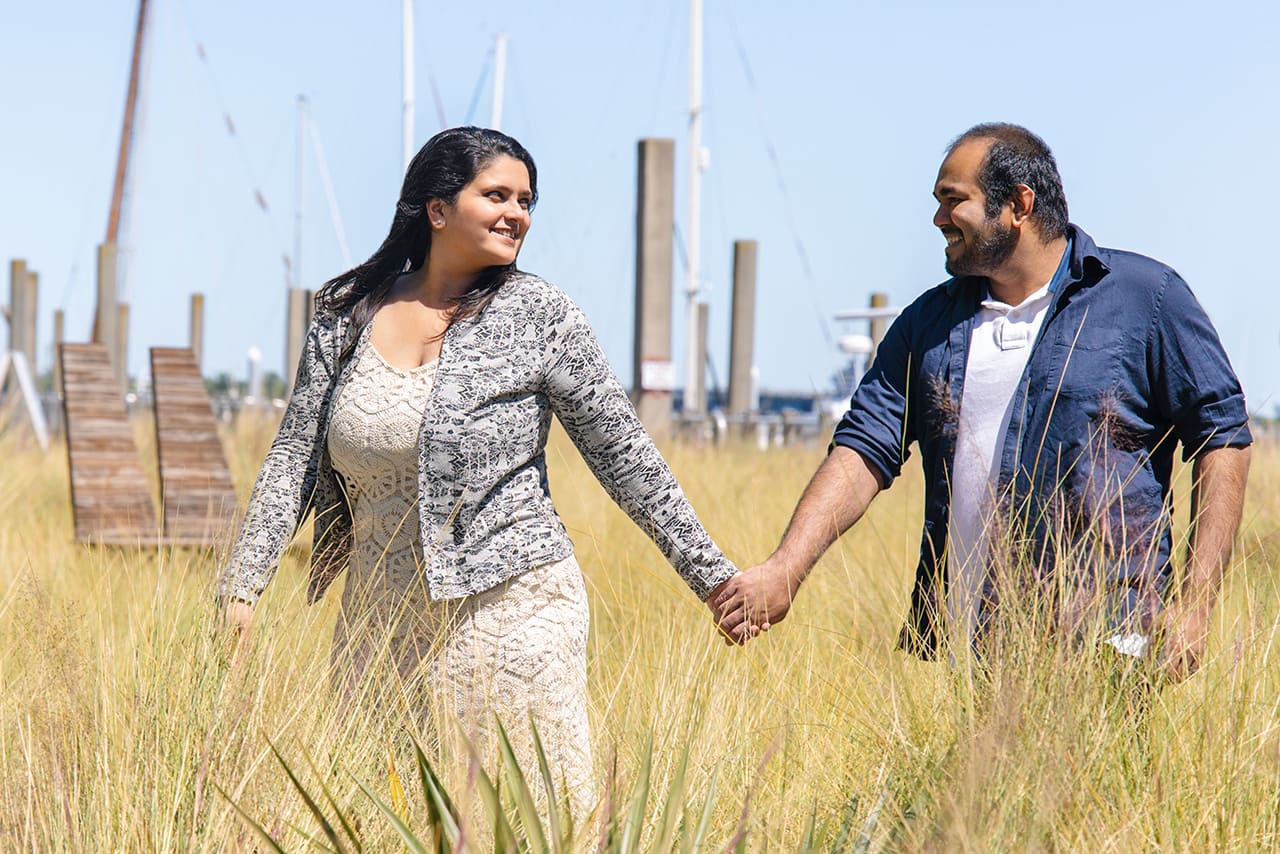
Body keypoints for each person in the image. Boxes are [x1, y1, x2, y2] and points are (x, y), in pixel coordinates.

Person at [217, 126, 738, 811]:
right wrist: (243, 585)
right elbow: (294, 458)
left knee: (529, 821)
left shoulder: (541, 317)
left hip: (514, 610)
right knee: (385, 818)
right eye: (496, 194)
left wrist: (715, 580)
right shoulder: (345, 315)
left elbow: (627, 458)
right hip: (379, 621)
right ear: (436, 209)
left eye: (526, 200)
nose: (516, 213)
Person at [712, 123, 1251, 683]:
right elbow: (863, 450)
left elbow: (1225, 441)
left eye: (953, 200)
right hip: (972, 655)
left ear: (1018, 204)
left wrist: (1195, 606)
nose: (939, 219)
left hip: (1115, 646)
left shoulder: (1146, 298)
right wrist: (784, 570)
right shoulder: (929, 324)